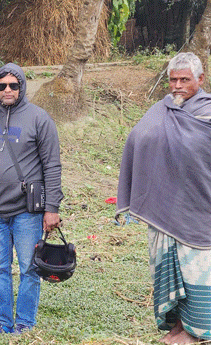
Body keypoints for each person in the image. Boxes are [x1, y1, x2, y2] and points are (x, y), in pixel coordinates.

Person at [117, 52, 211, 345]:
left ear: (201, 79)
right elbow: (138, 139)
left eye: (184, 80)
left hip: (199, 210)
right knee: (173, 271)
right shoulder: (162, 109)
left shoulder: (208, 114)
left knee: (198, 275)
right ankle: (179, 327)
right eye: (173, 80)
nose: (177, 86)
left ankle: (198, 331)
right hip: (164, 207)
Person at [0, 63, 63, 336]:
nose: (8, 90)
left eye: (14, 85)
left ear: (23, 86)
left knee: (28, 268)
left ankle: (24, 323)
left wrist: (52, 208)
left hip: (27, 211)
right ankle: (3, 321)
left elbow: (52, 165)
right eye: (2, 86)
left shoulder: (39, 118)